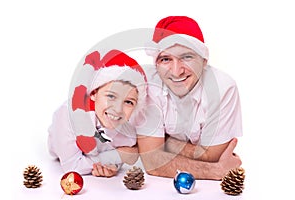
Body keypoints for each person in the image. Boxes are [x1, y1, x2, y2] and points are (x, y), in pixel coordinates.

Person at [136, 16, 243, 180]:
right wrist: (214, 171)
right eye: (166, 59)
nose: (176, 71)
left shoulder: (223, 88)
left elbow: (213, 156)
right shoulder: (146, 82)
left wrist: (163, 143)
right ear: (156, 64)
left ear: (204, 60)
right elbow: (152, 162)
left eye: (187, 57)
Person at [48, 49, 147, 177]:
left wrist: (112, 164)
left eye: (128, 102)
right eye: (111, 96)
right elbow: (72, 166)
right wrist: (116, 156)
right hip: (60, 143)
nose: (118, 109)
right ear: (94, 93)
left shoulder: (127, 131)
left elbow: (127, 151)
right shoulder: (68, 115)